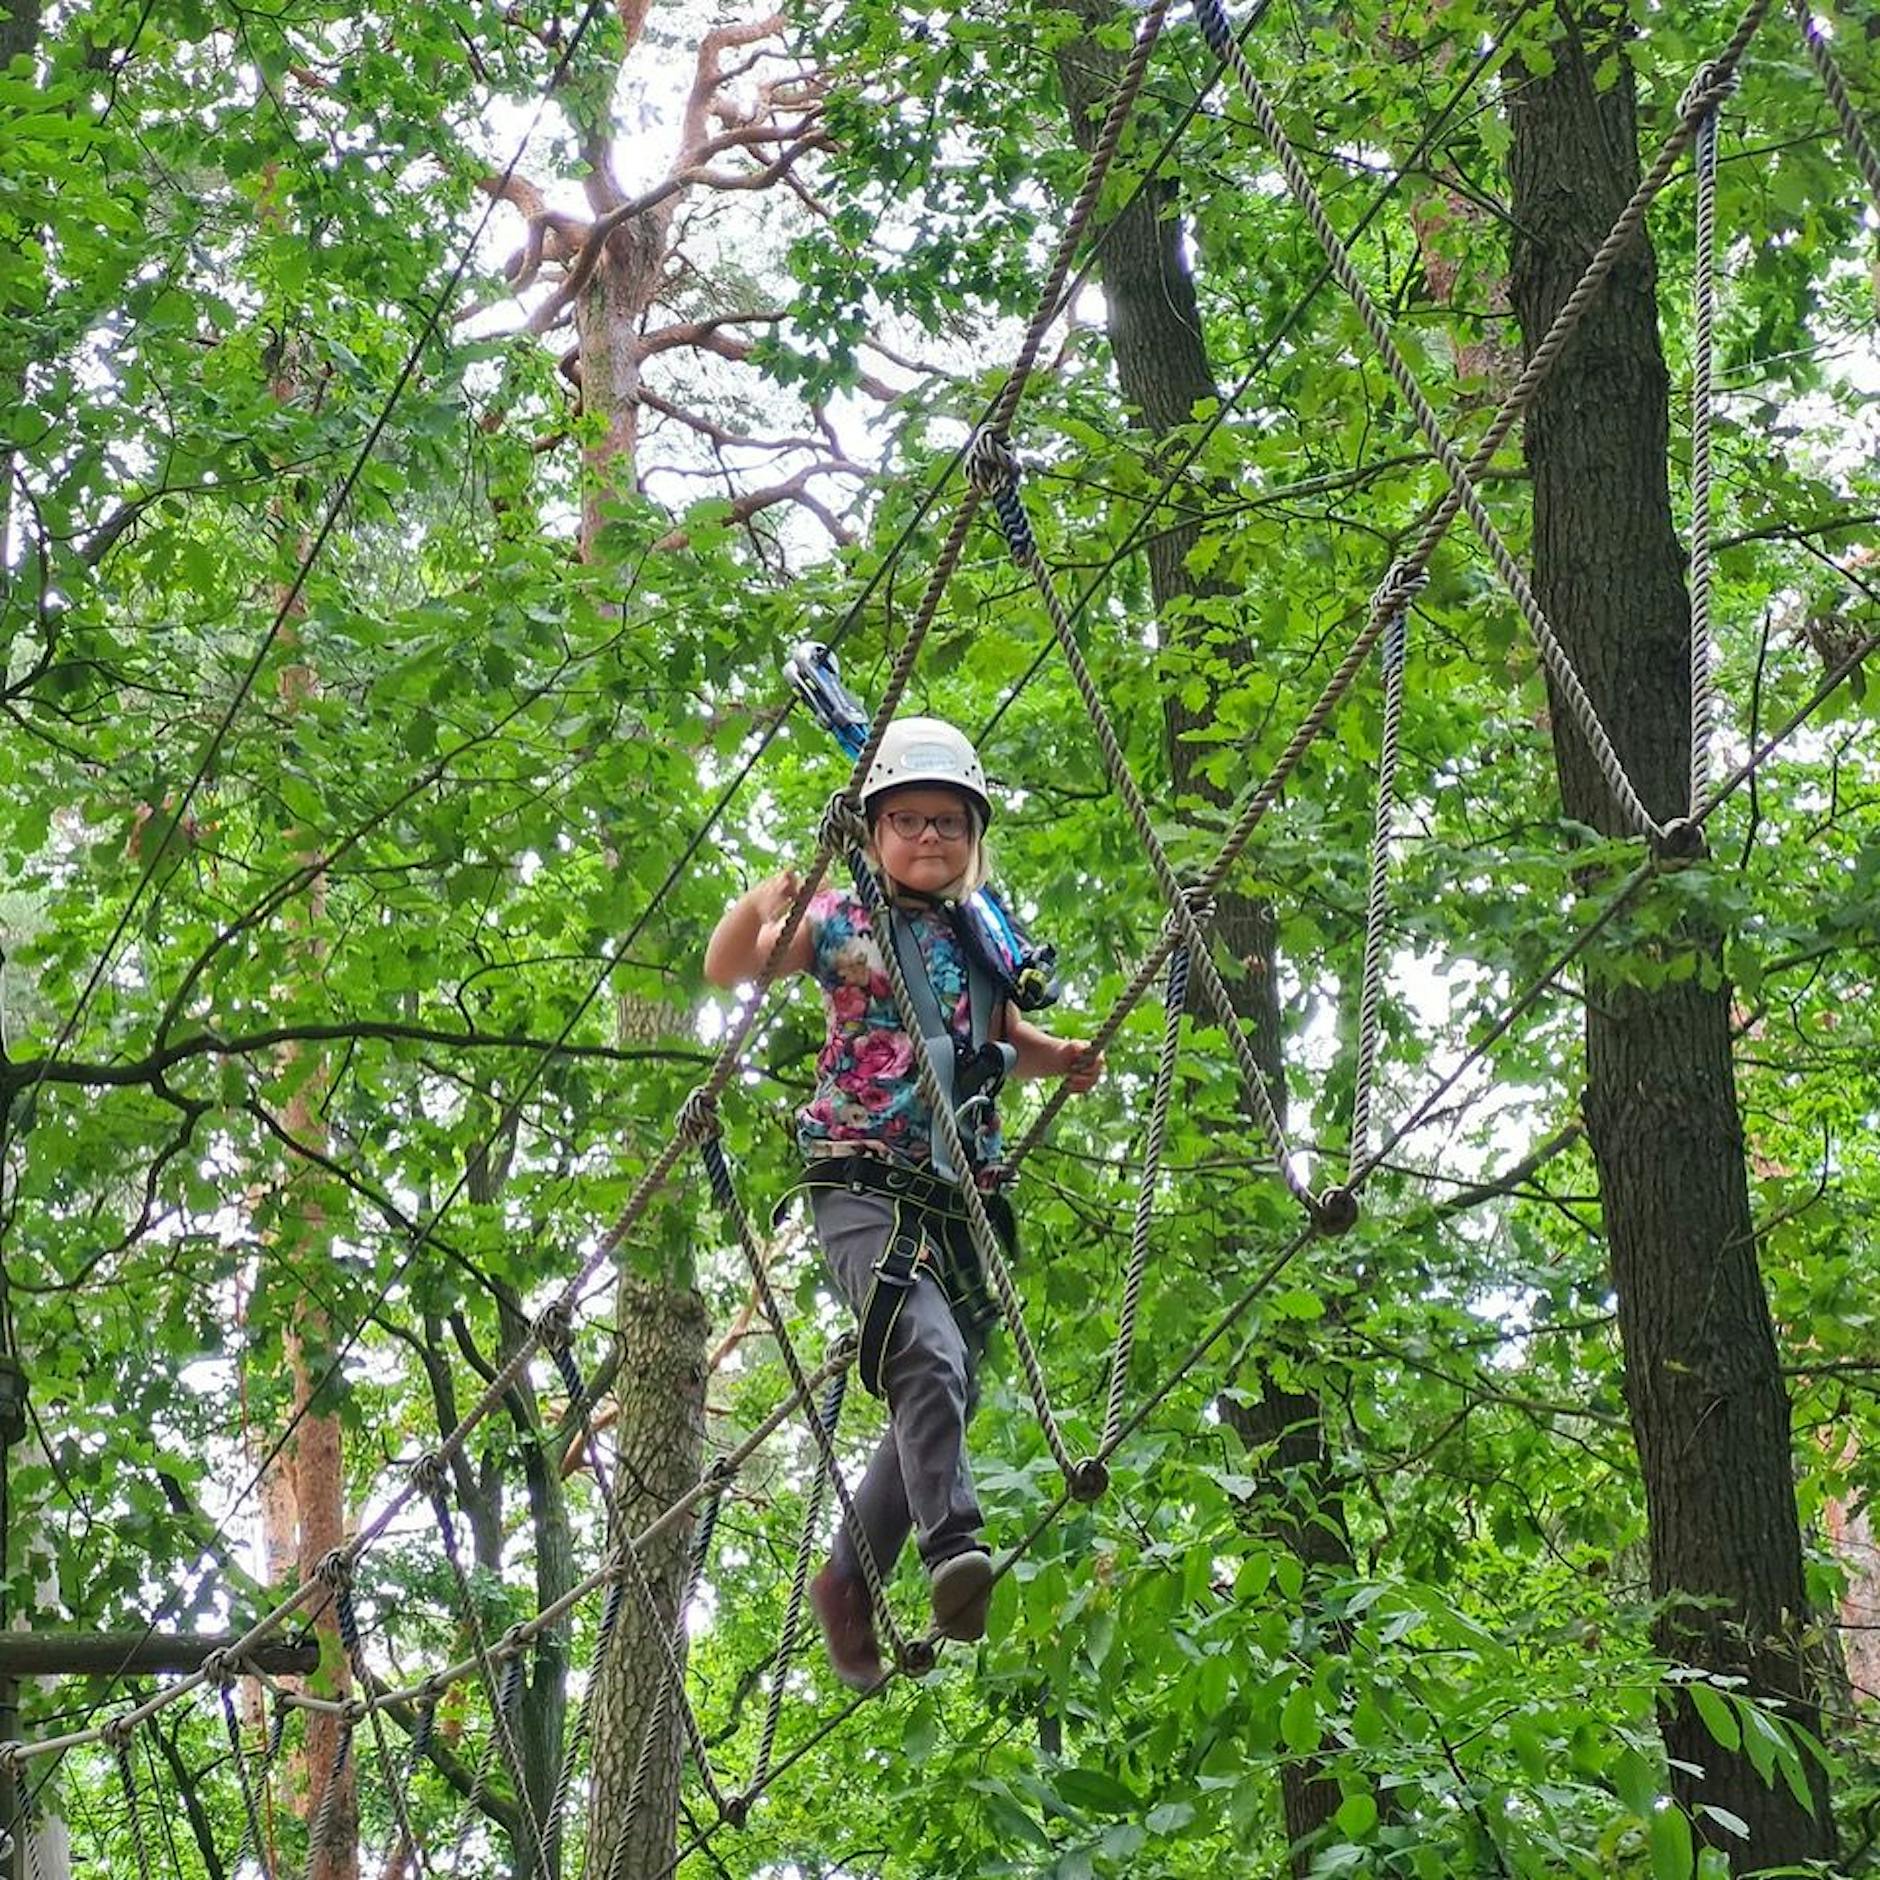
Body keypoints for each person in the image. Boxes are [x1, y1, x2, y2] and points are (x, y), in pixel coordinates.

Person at [703, 718, 1103, 1686]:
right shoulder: (844, 921)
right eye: (908, 820)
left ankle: (848, 1572)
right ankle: (951, 1549)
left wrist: (1062, 1061)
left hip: (956, 1196)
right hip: (860, 1178)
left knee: (949, 1380)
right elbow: (733, 964)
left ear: (973, 835)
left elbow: (1001, 1028)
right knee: (920, 1346)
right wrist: (764, 897)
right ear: (874, 829)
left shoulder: (981, 935)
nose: (929, 838)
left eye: (947, 823)